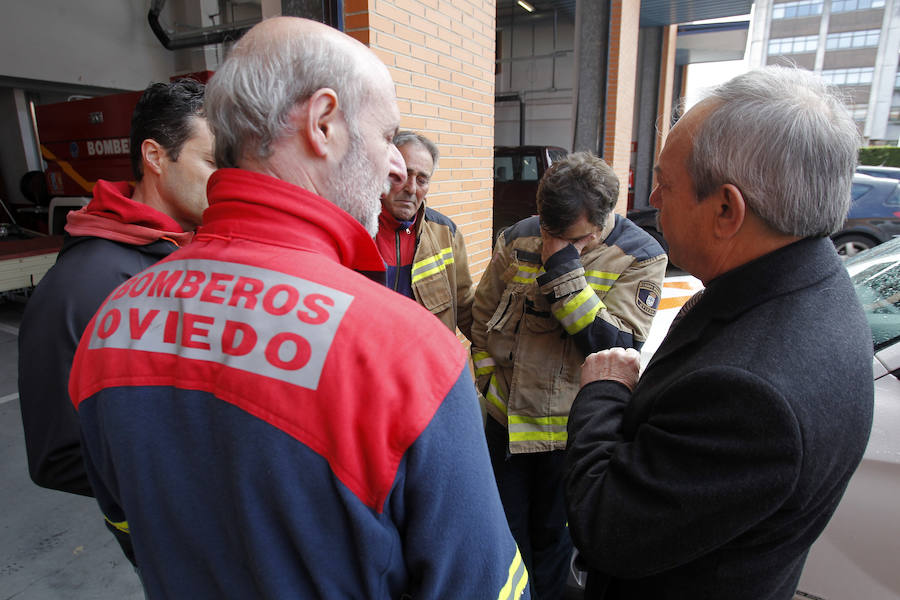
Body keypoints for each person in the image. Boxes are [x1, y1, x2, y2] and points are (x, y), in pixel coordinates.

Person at [68, 17, 529, 599]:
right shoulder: (406, 355)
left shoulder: (110, 324)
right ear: (324, 122)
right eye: (387, 136)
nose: (395, 167)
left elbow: (131, 525)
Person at [564, 66, 875, 599]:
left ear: (727, 209)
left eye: (666, 181)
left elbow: (606, 525)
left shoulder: (754, 393)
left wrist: (603, 391)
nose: (654, 198)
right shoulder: (807, 286)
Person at [18, 79, 212, 559]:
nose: (227, 179)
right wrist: (200, 478)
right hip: (168, 533)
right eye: (212, 162)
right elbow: (57, 456)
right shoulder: (82, 285)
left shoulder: (193, 251)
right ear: (154, 156)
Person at [471, 151, 667, 599]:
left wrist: (564, 273)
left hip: (569, 436)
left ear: (601, 224)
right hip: (507, 427)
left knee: (553, 545)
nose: (551, 242)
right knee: (506, 539)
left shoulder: (640, 255)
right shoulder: (520, 235)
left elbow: (615, 350)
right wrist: (485, 379)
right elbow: (481, 316)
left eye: (570, 238)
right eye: (547, 230)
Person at [376, 131, 474, 337]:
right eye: (401, 175)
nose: (411, 188)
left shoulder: (446, 233)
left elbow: (465, 306)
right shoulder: (354, 228)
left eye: (422, 180)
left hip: (425, 364)